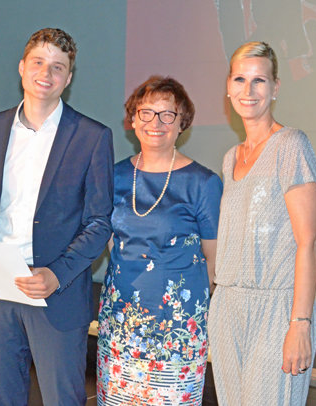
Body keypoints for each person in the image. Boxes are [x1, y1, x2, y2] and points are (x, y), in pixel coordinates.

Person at [0, 27, 114, 405]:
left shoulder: (92, 136)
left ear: (69, 78)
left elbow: (99, 223)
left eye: (58, 67)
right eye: (38, 62)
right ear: (21, 67)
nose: (46, 73)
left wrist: (56, 274)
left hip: (56, 293)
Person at [97, 76, 222, 405]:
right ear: (133, 119)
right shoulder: (113, 176)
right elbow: (112, 243)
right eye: (147, 112)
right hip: (121, 322)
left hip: (176, 331)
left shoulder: (203, 183)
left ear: (182, 123)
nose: (156, 122)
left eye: (168, 114)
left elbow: (213, 262)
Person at [208, 41, 316, 405]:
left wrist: (299, 323)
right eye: (240, 79)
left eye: (259, 80)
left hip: (276, 311)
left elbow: (308, 242)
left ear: (275, 88)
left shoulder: (291, 145)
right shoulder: (231, 158)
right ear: (228, 87)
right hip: (228, 308)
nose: (249, 90)